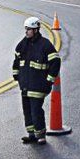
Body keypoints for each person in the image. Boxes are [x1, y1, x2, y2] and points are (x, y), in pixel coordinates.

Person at [12, 17, 60, 145]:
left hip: (38, 85)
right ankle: (31, 134)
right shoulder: (22, 45)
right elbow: (16, 61)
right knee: (27, 110)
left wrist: (49, 80)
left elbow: (55, 61)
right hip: (25, 85)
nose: (26, 32)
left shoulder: (45, 45)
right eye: (26, 29)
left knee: (36, 110)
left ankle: (41, 135)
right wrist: (16, 76)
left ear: (36, 30)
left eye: (29, 29)